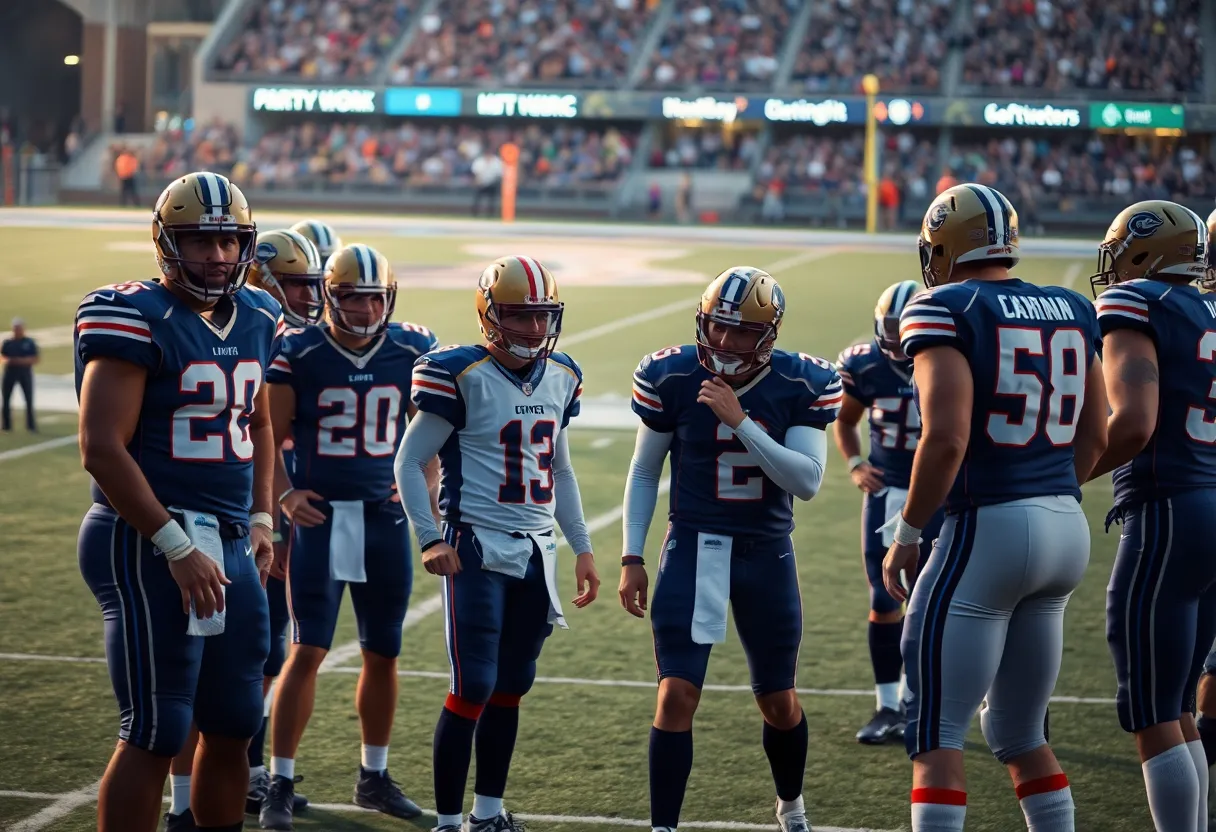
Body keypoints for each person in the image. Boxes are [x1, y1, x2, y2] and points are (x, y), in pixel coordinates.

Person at [884, 183, 1108, 832]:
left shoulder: (943, 306)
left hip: (988, 526)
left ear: (943, 247)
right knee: (1018, 732)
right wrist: (1046, 491)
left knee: (936, 735)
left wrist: (906, 533)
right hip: (1064, 527)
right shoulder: (1072, 306)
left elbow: (946, 438)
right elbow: (1096, 435)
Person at [75, 171, 281, 832]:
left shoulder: (260, 313)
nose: (218, 256)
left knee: (235, 724)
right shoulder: (134, 314)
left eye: (229, 241)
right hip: (144, 538)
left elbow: (259, 423)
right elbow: (101, 447)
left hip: (228, 537)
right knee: (157, 729)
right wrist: (175, 545)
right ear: (167, 243)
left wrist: (261, 516)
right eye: (199, 241)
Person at [620, 267, 840, 832]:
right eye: (716, 326)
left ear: (768, 335)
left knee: (778, 701)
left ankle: (791, 805)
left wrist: (740, 422)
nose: (723, 340)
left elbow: (807, 481)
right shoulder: (672, 375)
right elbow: (644, 471)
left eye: (741, 331)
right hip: (693, 546)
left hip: (766, 552)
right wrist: (631, 556)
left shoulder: (801, 382)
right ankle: (663, 827)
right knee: (676, 694)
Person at [395, 255, 600, 832]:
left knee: (512, 685)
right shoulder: (460, 373)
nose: (534, 328)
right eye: (518, 315)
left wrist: (582, 546)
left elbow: (560, 470)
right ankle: (447, 822)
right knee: (473, 685)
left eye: (542, 316)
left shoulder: (562, 374)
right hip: (475, 546)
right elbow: (409, 461)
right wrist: (429, 537)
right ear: (489, 315)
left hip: (537, 549)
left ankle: (487, 814)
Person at [259, 243, 439, 830]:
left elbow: (432, 435)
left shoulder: (413, 349)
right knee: (308, 649)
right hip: (323, 518)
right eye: (354, 298)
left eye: (375, 298)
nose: (366, 309)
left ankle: (374, 776)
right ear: (331, 298)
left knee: (383, 651)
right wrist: (285, 496)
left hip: (384, 520)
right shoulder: (299, 350)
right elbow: (267, 435)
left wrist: (425, 490)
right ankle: (280, 778)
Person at [163, 227, 327, 824]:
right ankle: (183, 801)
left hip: (248, 523)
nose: (309, 297)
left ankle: (247, 772)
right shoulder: (251, 333)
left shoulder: (275, 332)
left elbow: (266, 430)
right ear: (263, 281)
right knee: (189, 679)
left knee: (259, 659)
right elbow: (264, 434)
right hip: (205, 523)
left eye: (312, 284)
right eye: (297, 285)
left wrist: (266, 518)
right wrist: (273, 515)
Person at [1087, 199, 1216, 832]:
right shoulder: (1209, 308)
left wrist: (1063, 474)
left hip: (1169, 509)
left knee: (1152, 713)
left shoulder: (1136, 302)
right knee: (1178, 706)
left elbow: (1134, 423)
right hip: (1209, 501)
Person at [834, 280, 944, 745]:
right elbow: (845, 420)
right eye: (892, 327)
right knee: (885, 600)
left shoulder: (944, 355)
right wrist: (856, 463)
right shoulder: (864, 365)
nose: (899, 337)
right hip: (888, 493)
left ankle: (920, 702)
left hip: (941, 491)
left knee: (934, 600)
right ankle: (887, 706)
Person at [2, 316, 38, 432]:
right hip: (10, 372)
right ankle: (6, 425)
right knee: (6, 399)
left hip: (24, 373)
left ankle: (31, 425)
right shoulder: (8, 343)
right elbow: (2, 357)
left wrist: (20, 361)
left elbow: (35, 358)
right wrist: (8, 360)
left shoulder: (29, 342)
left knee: (28, 399)